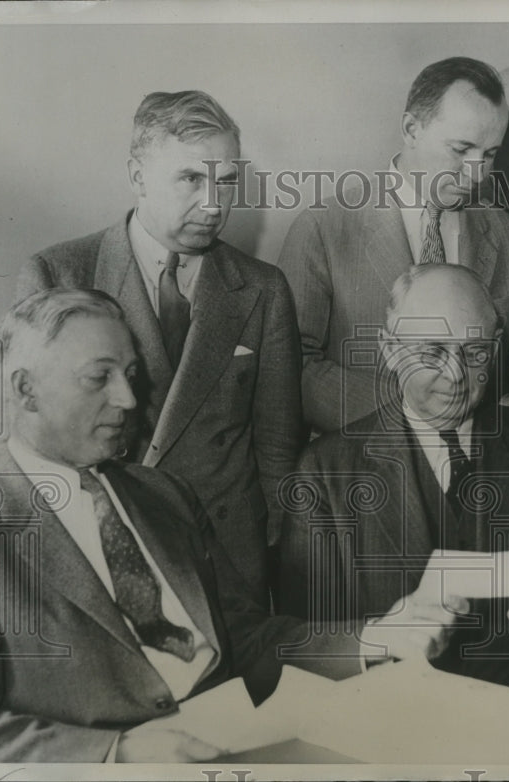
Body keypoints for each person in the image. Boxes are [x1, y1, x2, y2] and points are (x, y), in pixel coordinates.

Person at [0, 289, 464, 762]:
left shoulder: (162, 495)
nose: (128, 400)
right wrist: (116, 754)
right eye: (98, 377)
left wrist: (376, 639)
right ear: (26, 391)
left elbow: (241, 637)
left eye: (130, 374)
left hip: (242, 742)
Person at [15, 91, 301, 599]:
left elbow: (278, 444)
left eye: (227, 181)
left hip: (228, 559)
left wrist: (278, 557)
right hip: (109, 548)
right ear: (138, 176)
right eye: (191, 178)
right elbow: (36, 447)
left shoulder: (263, 288)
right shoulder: (59, 274)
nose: (214, 204)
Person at [279, 264, 509, 679]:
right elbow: (300, 642)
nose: (456, 374)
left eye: (475, 351)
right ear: (390, 350)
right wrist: (379, 640)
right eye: (432, 351)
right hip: (386, 719)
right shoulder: (325, 473)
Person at [277, 56, 509, 434]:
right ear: (411, 129)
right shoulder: (323, 228)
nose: (477, 172)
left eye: (489, 154)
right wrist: (410, 417)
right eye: (461, 149)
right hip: (368, 464)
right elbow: (295, 367)